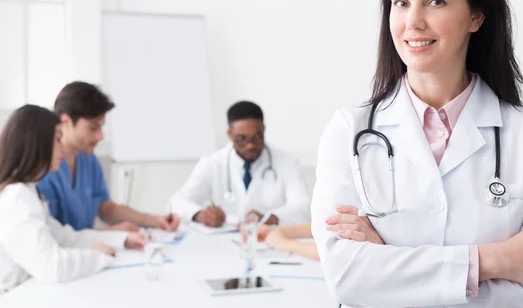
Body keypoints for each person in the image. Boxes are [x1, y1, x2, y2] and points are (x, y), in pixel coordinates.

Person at [311, 0, 523, 308]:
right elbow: (347, 279)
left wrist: (388, 260)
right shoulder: (349, 131)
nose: (413, 21)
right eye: (401, 3)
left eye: (436, 1)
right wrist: (497, 260)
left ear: (476, 16)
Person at [0, 105, 144, 294]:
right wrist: (98, 256)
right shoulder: (16, 198)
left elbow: (67, 238)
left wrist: (121, 239)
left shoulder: (28, 192)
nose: (63, 147)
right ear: (38, 144)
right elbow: (52, 267)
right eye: (58, 139)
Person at [37, 82, 179, 232]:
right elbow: (54, 237)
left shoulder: (88, 159)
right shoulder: (44, 171)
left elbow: (106, 208)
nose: (100, 136)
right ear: (66, 122)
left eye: (101, 127)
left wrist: (154, 220)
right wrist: (111, 233)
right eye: (93, 128)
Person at [170, 101, 310, 227]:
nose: (250, 145)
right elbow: (176, 203)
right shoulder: (212, 163)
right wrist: (200, 215)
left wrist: (271, 218)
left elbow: (303, 207)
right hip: (223, 245)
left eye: (256, 137)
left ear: (263, 130)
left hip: (270, 243)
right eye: (241, 139)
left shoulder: (287, 163)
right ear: (229, 134)